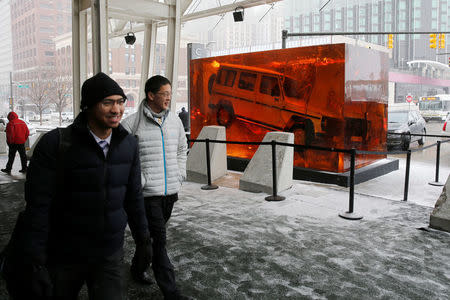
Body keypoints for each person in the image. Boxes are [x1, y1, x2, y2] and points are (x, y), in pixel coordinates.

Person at [3, 72, 152, 300]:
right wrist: (35, 259)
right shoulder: (57, 144)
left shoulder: (128, 144)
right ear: (88, 106)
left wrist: (144, 241)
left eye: (121, 102)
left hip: (109, 253)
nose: (117, 110)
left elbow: (133, 198)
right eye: (107, 103)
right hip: (64, 253)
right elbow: (38, 206)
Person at [122, 75, 188, 300]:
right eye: (165, 94)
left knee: (149, 239)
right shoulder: (131, 124)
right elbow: (120, 157)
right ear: (151, 95)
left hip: (170, 193)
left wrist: (180, 174)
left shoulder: (174, 121)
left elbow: (182, 148)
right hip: (147, 195)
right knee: (159, 242)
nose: (169, 98)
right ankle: (172, 293)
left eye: (170, 93)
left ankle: (137, 268)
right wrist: (139, 180)